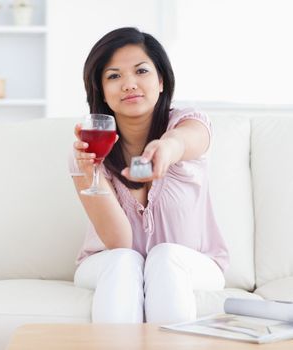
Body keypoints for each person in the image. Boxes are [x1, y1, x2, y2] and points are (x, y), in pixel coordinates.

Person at [70, 27, 229, 324]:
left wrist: (166, 149)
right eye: (114, 76)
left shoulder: (188, 124)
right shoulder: (87, 150)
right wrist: (90, 170)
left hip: (193, 265)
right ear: (101, 92)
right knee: (124, 260)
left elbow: (185, 140)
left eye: (141, 71)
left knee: (165, 257)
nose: (129, 84)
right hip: (107, 263)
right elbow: (119, 241)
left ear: (160, 81)